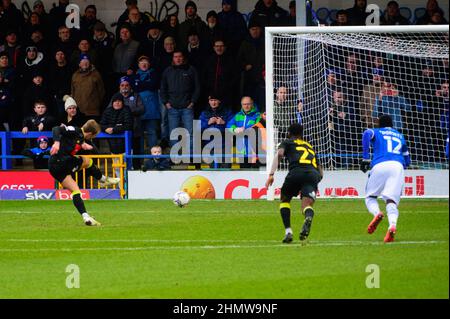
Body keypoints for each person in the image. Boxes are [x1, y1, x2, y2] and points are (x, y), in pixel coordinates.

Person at [48, 120, 120, 226]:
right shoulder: (75, 130)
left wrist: (83, 144)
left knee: (75, 190)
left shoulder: (80, 137)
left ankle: (86, 217)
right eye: (94, 136)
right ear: (90, 133)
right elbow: (56, 128)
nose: (93, 138)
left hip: (54, 167)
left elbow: (76, 140)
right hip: (61, 161)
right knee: (87, 161)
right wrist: (57, 142)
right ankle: (103, 179)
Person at [265, 123, 323, 243]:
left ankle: (288, 232)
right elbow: (320, 168)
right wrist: (316, 179)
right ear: (301, 134)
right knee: (306, 206)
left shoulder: (287, 142)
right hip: (313, 174)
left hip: (296, 172)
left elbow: (280, 154)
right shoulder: (309, 146)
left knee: (284, 199)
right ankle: (308, 216)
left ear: (289, 133)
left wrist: (271, 174)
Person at [360, 114, 411, 243]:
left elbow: (366, 134)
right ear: (392, 124)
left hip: (380, 164)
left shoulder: (376, 131)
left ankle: (377, 213)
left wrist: (365, 158)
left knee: (370, 197)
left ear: (379, 124)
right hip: (397, 166)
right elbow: (408, 160)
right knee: (391, 201)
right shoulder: (400, 136)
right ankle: (392, 225)